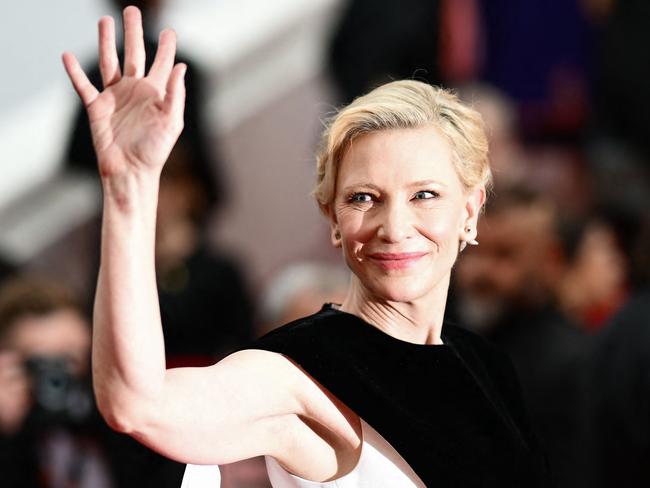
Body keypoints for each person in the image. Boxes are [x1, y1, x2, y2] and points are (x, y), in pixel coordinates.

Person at [62, 6, 549, 486]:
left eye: (424, 195)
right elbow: (137, 404)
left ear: (469, 210)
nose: (395, 226)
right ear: (332, 219)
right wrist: (131, 187)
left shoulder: (485, 365)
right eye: (364, 198)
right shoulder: (304, 372)